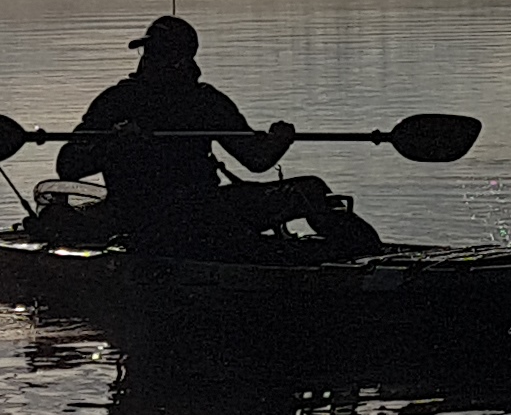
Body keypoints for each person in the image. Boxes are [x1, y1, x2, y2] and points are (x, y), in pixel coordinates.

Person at [58, 15, 382, 257]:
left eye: (158, 54)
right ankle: (329, 258)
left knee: (309, 190)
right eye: (148, 53)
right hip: (147, 218)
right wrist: (112, 144)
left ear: (181, 60)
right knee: (242, 232)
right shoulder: (118, 102)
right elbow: (68, 165)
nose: (148, 61)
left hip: (206, 208)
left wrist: (278, 140)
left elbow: (256, 159)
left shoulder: (204, 101)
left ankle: (364, 256)